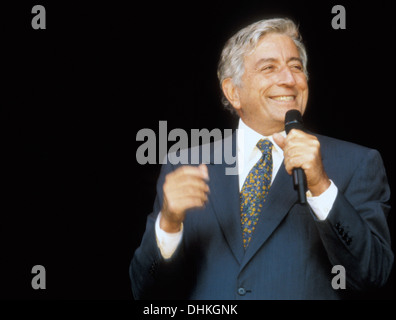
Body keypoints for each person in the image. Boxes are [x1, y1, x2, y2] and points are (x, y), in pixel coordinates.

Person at [129, 18, 393, 299]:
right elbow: (145, 291)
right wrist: (168, 224)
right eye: (269, 68)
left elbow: (373, 275)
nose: (289, 79)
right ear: (233, 92)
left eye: (296, 66)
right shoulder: (185, 164)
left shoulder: (358, 163)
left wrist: (321, 187)